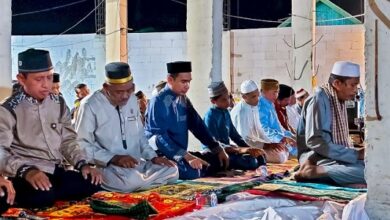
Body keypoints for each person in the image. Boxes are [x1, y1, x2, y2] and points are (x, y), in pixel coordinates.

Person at [0, 48, 102, 209]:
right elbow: (1, 151)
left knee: (93, 182)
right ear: (21, 79)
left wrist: (82, 164)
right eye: (39, 79)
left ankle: (50, 192)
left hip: (54, 170)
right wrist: (27, 171)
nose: (46, 84)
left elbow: (68, 140)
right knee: (43, 197)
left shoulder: (58, 103)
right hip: (26, 173)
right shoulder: (8, 109)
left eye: (49, 77)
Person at [75, 62, 178, 192]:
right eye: (119, 92)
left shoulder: (133, 100)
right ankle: (144, 184)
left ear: (133, 86)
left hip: (136, 166)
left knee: (173, 170)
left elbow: (140, 136)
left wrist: (153, 157)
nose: (125, 96)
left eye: (129, 90)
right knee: (129, 181)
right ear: (106, 87)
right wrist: (114, 158)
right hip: (109, 168)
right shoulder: (90, 105)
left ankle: (142, 183)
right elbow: (81, 144)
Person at [145, 61, 229, 180]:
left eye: (189, 81)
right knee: (193, 173)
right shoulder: (158, 101)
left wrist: (217, 148)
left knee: (221, 161)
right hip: (163, 155)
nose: (187, 86)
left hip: (183, 155)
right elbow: (160, 138)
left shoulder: (183, 99)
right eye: (183, 81)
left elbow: (198, 125)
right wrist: (187, 157)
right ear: (170, 79)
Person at [295, 61, 366, 186]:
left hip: (330, 156)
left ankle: (332, 174)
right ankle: (313, 171)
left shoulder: (337, 99)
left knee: (377, 166)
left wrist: (356, 153)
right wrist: (355, 154)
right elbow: (315, 141)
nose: (356, 90)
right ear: (337, 84)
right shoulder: (318, 99)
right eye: (353, 85)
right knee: (367, 173)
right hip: (314, 157)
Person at [203, 81, 266, 171]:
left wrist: (249, 148)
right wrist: (240, 150)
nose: (228, 102)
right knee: (250, 162)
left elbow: (235, 135)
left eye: (228, 98)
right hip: (215, 153)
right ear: (213, 101)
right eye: (224, 100)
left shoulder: (226, 112)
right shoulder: (210, 116)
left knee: (260, 156)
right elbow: (214, 144)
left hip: (229, 150)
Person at [231, 80, 291, 163]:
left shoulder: (255, 106)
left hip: (257, 144)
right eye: (253, 97)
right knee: (280, 157)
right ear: (244, 97)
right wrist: (267, 145)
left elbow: (260, 131)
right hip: (243, 148)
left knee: (282, 151)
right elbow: (243, 140)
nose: (257, 99)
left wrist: (271, 144)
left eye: (257, 95)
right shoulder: (241, 111)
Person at [258, 79, 296, 160]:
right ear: (264, 91)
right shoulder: (260, 105)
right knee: (281, 157)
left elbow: (278, 127)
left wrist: (288, 136)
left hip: (278, 139)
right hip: (267, 142)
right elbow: (263, 129)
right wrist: (282, 138)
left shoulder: (270, 104)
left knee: (301, 144)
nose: (276, 95)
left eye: (277, 92)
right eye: (274, 92)